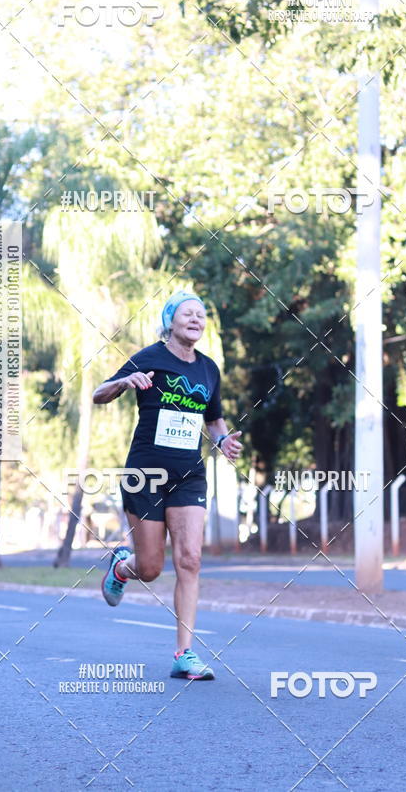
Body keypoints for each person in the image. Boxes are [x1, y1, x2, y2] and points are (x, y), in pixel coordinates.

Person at [92, 291, 242, 680]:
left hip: (189, 475)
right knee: (152, 568)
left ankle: (184, 653)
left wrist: (223, 441)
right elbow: (98, 394)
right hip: (145, 475)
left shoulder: (208, 369)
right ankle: (123, 568)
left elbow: (214, 418)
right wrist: (126, 381)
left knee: (190, 559)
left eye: (202, 314)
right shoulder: (149, 357)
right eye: (188, 313)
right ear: (170, 321)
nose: (196, 318)